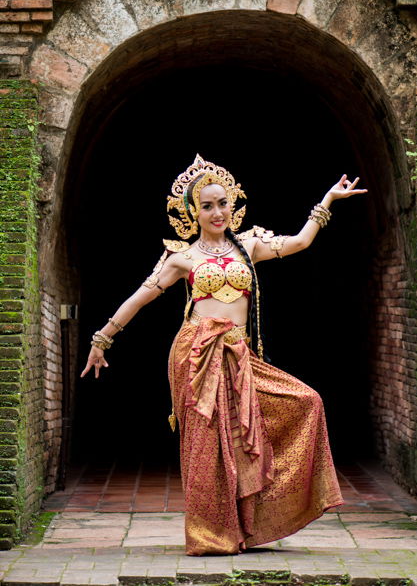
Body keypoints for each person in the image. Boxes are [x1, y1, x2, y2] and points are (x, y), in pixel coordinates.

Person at [81, 155, 368, 556]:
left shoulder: (249, 244)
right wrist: (102, 338)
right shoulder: (181, 256)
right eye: (208, 206)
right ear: (193, 213)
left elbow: (301, 242)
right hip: (197, 354)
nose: (218, 212)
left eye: (223, 203)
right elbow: (140, 298)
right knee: (207, 446)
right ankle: (210, 535)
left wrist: (328, 200)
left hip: (238, 351)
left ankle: (249, 524)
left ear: (233, 204)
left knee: (305, 402)